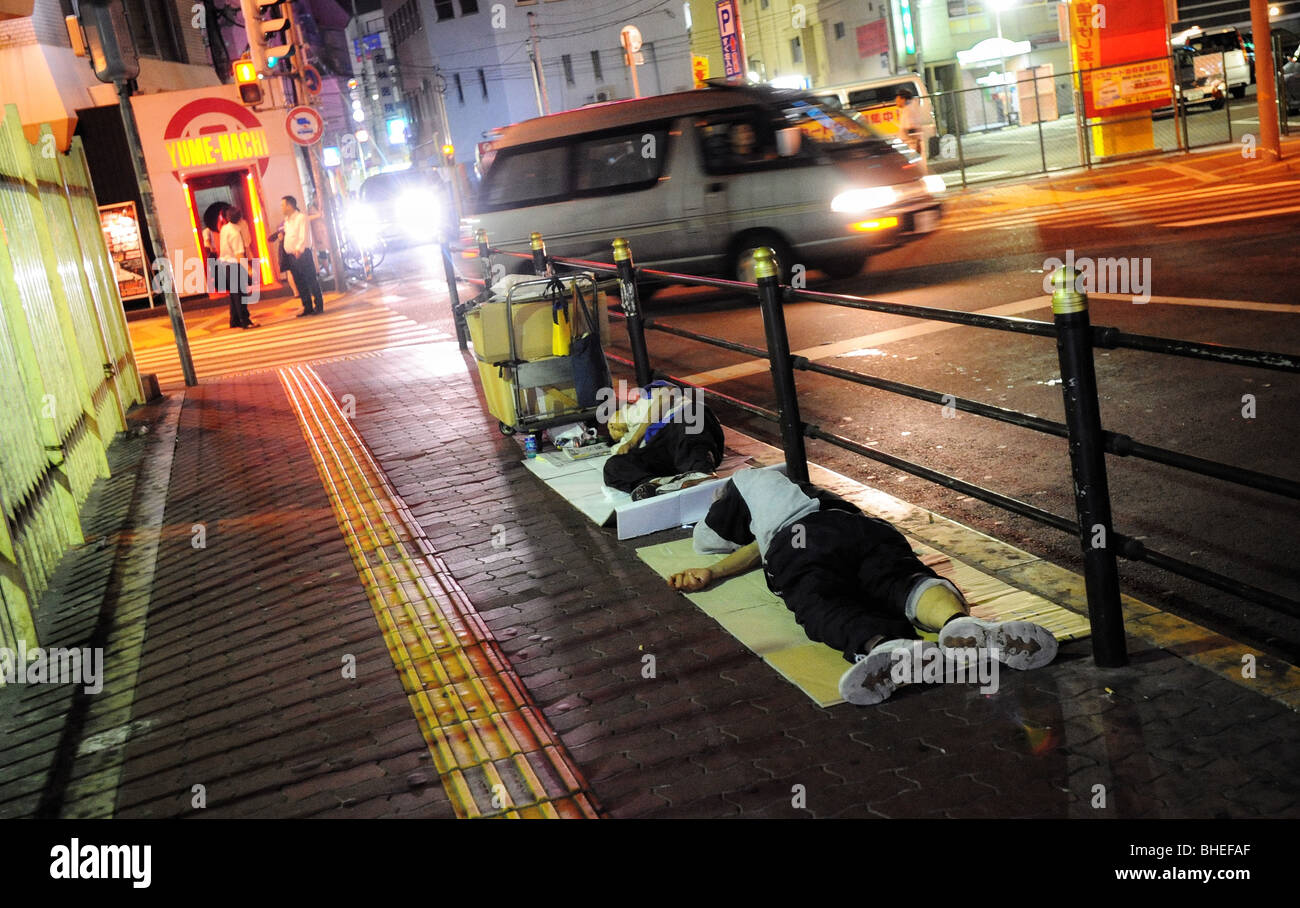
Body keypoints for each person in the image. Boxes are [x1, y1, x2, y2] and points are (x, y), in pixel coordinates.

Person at [667, 469, 1058, 706]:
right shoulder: (805, 493)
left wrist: (714, 568)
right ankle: (958, 625)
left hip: (800, 545)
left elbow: (712, 539)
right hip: (862, 529)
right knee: (901, 580)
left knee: (821, 602)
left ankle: (888, 648)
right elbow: (759, 544)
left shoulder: (740, 486)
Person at [603, 381, 724, 501]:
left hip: (685, 421)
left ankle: (702, 473)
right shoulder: (633, 439)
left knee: (689, 427)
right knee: (612, 466)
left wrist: (634, 439)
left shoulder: (649, 394)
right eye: (612, 430)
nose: (612, 427)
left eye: (611, 424)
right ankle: (656, 485)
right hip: (663, 449)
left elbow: (667, 395)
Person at [276, 195, 323, 316]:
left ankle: (318, 305)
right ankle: (307, 306)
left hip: (302, 254)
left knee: (311, 279)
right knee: (300, 282)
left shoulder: (301, 218)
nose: (281, 207)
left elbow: (304, 235)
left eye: (283, 205)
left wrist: (299, 249)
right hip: (291, 255)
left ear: (290, 205)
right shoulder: (287, 220)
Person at [219, 207, 257, 330]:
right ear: (240, 219)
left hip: (224, 264)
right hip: (234, 265)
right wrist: (249, 269)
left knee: (234, 294)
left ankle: (234, 320)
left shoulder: (225, 228)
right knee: (241, 294)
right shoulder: (236, 234)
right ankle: (245, 321)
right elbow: (239, 254)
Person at [895, 89, 926, 160]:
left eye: (898, 100)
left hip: (910, 147)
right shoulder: (908, 108)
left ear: (903, 99)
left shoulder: (909, 110)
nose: (896, 102)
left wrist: (914, 145)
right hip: (910, 146)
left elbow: (911, 128)